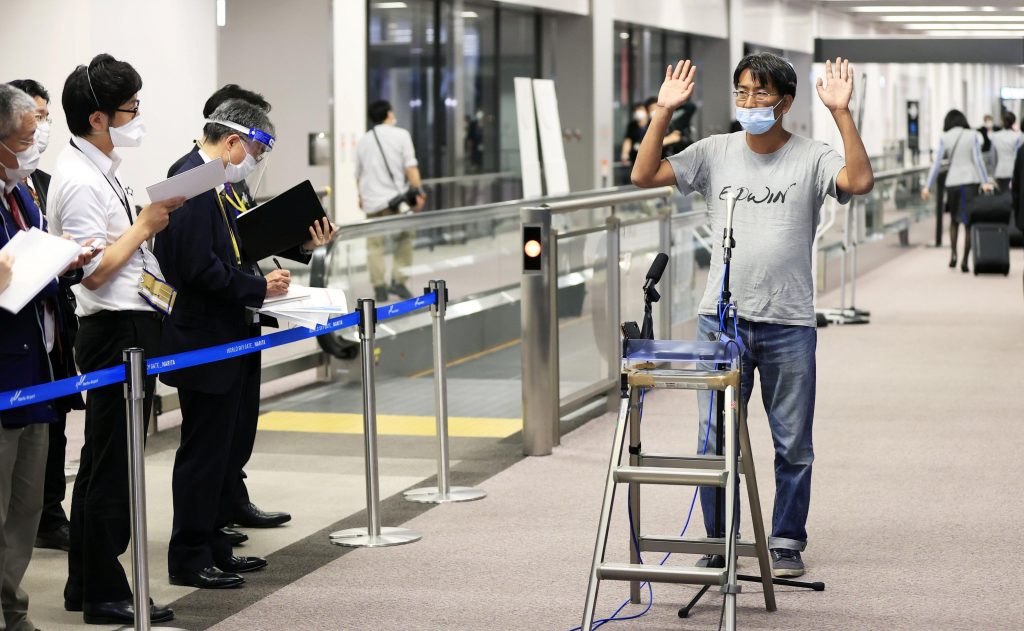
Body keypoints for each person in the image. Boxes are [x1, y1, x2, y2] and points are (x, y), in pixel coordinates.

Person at [631, 53, 874, 578]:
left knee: (792, 441)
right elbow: (643, 173)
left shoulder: (812, 156)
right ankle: (719, 539)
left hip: (788, 320)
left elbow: (858, 183)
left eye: (761, 94)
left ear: (784, 102)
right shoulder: (714, 152)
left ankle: (785, 541)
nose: (749, 102)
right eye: (742, 92)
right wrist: (663, 111)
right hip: (720, 322)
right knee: (714, 440)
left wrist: (842, 113)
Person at [47, 54, 183, 626]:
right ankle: (105, 590)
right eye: (131, 108)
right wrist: (144, 226)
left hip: (133, 321)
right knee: (111, 467)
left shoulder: (103, 167)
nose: (137, 116)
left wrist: (146, 221)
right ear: (98, 118)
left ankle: (86, 582)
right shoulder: (78, 180)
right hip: (113, 330)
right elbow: (92, 272)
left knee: (107, 461)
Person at [154, 99, 291, 590]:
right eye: (251, 150)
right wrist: (258, 288)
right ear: (232, 141)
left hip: (226, 332)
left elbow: (229, 251)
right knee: (202, 452)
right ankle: (189, 555)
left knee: (222, 449)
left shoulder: (215, 182)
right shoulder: (188, 182)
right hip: (202, 337)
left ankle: (214, 544)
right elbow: (196, 268)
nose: (251, 162)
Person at [0, 82, 97, 631]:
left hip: (38, 367)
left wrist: (64, 261)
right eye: (24, 138)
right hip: (4, 371)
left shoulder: (22, 194)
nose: (33, 148)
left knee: (26, 506)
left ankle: (11, 609)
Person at [8, 78, 83, 554]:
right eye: (26, 134)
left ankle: (48, 512)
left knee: (47, 441)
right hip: (12, 346)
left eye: (43, 122)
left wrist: (66, 261)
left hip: (48, 336)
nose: (37, 139)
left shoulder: (33, 189)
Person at [356, 100, 425, 303]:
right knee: (404, 238)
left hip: (372, 203)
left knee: (375, 246)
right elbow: (410, 167)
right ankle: (399, 281)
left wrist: (360, 197)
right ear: (388, 114)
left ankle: (379, 288)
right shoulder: (401, 135)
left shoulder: (364, 140)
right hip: (395, 202)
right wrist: (418, 193)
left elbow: (358, 174)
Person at [921, 110, 993, 272]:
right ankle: (965, 261)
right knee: (968, 222)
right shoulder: (972, 135)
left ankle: (953, 254)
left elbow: (937, 163)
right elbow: (978, 160)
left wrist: (927, 185)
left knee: (954, 220)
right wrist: (985, 181)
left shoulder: (944, 137)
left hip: (952, 182)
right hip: (970, 182)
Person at [990, 111, 1022, 192]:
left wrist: (993, 174)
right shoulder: (1019, 136)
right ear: (1014, 121)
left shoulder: (995, 136)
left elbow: (993, 157)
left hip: (1000, 170)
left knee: (1003, 198)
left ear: (1002, 121)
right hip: (1015, 171)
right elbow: (1018, 155)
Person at [619, 102, 649, 180]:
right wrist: (624, 154)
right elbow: (628, 140)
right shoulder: (632, 125)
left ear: (646, 111)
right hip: (635, 158)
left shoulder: (651, 124)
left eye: (640, 109)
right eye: (636, 110)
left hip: (649, 158)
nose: (638, 112)